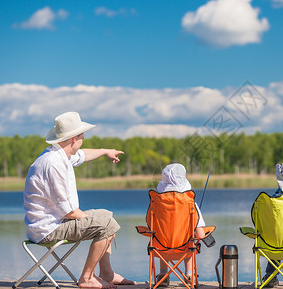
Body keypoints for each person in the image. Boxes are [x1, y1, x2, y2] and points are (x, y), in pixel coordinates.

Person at [23, 111, 135, 289]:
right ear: (74, 138)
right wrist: (98, 223)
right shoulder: (53, 164)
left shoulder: (59, 155)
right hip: (48, 230)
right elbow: (68, 211)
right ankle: (87, 278)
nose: (83, 140)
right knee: (107, 224)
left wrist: (106, 151)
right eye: (82, 136)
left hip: (55, 222)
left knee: (106, 215)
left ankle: (107, 273)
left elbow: (83, 154)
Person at [155, 163, 206, 287]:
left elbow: (152, 228)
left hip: (160, 248)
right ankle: (189, 275)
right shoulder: (190, 203)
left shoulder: (156, 203)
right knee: (191, 238)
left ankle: (163, 276)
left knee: (163, 235)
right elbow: (201, 235)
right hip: (185, 248)